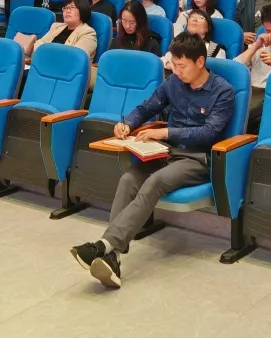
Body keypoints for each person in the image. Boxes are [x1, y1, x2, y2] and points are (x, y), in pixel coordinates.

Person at [70, 33, 234, 289]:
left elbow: (209, 133)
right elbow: (146, 107)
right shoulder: (173, 84)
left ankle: (102, 245)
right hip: (166, 152)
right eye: (174, 66)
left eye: (182, 66)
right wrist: (127, 124)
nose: (176, 72)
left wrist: (165, 132)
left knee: (154, 182)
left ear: (200, 61)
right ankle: (111, 255)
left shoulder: (223, 91)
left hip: (196, 158)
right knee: (127, 180)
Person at [20, 0, 97, 66]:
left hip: (66, 73)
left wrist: (46, 55)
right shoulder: (56, 27)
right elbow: (39, 44)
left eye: (72, 7)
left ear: (82, 10)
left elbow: (74, 57)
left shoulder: (88, 33)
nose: (67, 11)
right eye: (65, 8)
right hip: (43, 65)